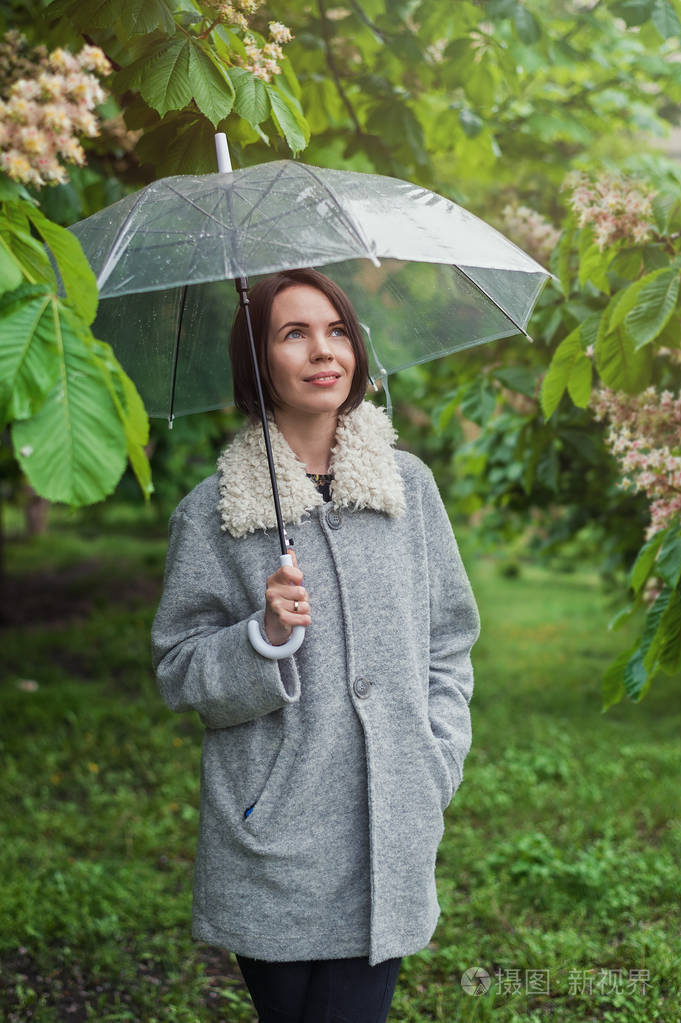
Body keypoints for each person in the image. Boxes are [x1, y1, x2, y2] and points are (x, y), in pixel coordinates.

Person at [151, 268, 480, 1023]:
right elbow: (179, 670)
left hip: (388, 824)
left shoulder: (408, 488)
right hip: (274, 844)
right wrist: (260, 638)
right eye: (293, 333)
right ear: (257, 361)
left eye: (336, 330)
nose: (323, 350)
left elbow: (451, 639)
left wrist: (435, 757)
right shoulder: (214, 514)